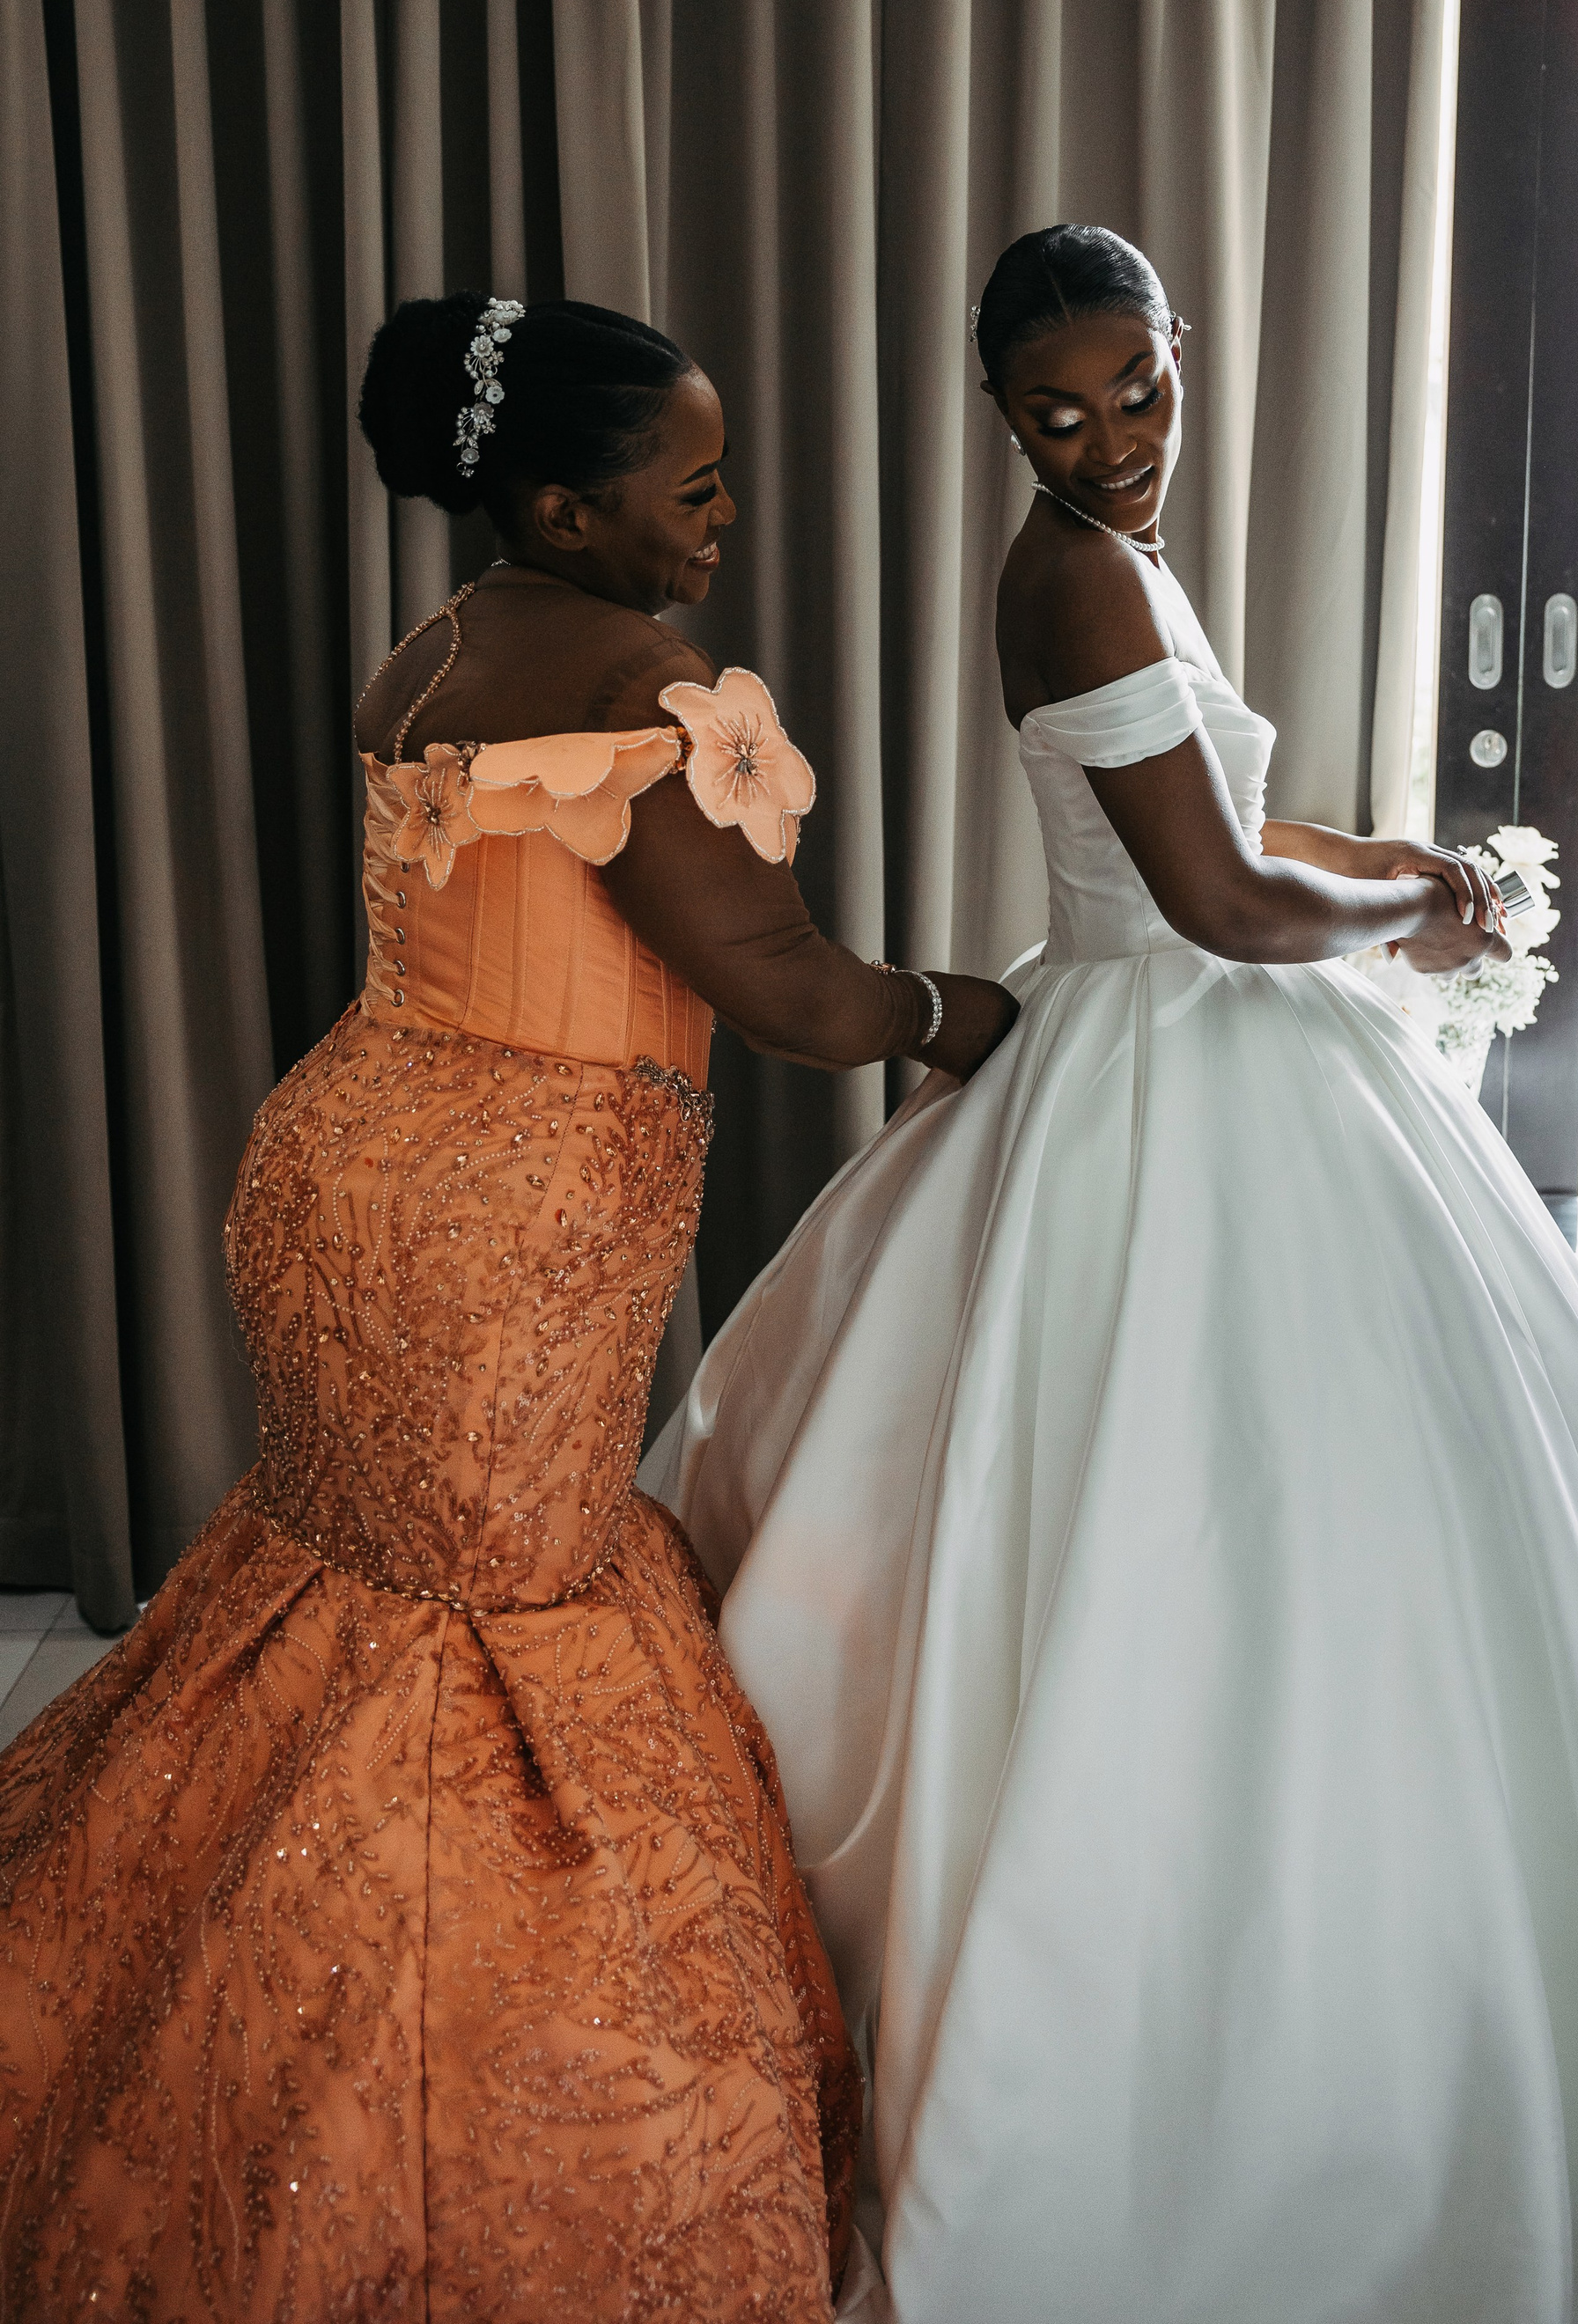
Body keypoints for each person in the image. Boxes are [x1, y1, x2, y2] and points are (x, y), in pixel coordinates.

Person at [645, 227, 1578, 2323]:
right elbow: (1216, 903)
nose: (1115, 438)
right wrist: (1426, 912)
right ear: (1000, 416)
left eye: (1141, 390)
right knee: (1206, 1507)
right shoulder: (1081, 576)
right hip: (1177, 1039)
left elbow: (1225, 824)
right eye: (1059, 413)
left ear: (1180, 351)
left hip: (1174, 1026)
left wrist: (1402, 870)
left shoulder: (1110, 555)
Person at [0, 290, 1016, 2321]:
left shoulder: (438, 644)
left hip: (343, 1157)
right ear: (563, 504)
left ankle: (194, 2021)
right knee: (479, 1625)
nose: (722, 520)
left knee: (358, 1574)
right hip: (511, 1225)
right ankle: (421, 2138)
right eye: (692, 488)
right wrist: (969, 1015)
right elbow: (790, 994)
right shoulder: (646, 685)